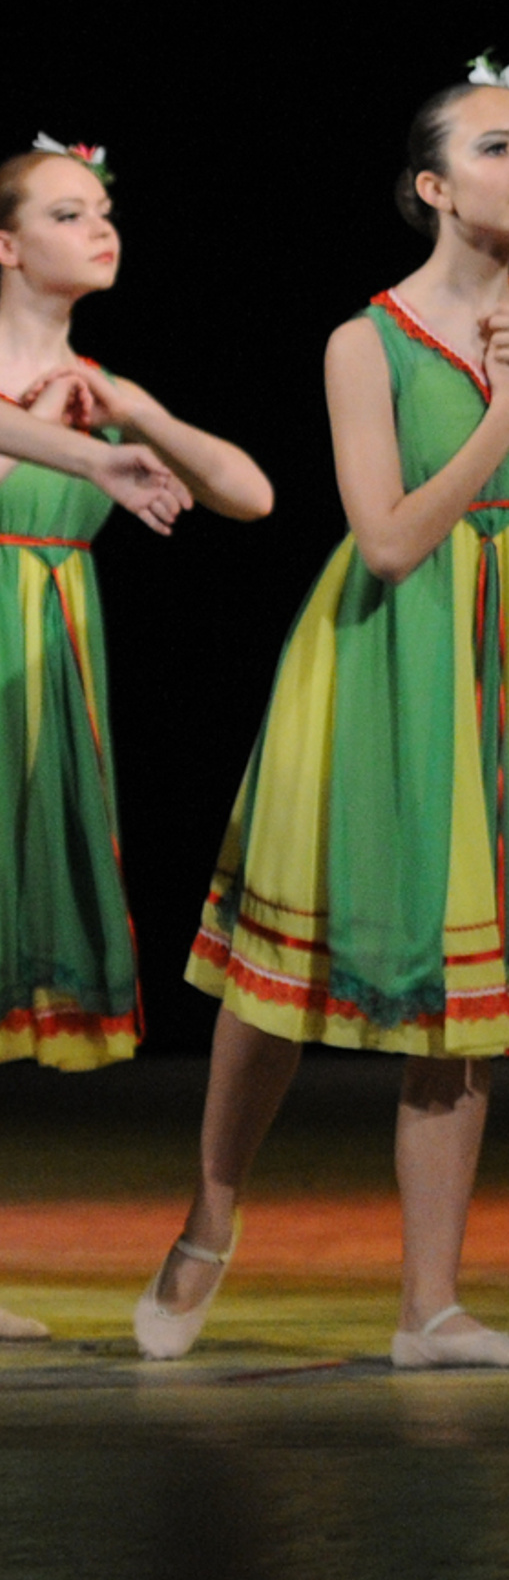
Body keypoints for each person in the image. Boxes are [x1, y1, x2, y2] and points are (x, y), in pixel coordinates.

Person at [142, 55, 509, 1370]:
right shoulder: (363, 342)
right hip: (377, 664)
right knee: (282, 979)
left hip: (504, 676)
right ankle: (209, 1216)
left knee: (465, 993)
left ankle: (429, 1306)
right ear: (433, 186)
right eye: (494, 146)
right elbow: (384, 540)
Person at [2, 139, 273, 1343]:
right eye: (68, 212)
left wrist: (143, 417)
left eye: (105, 209)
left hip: (49, 667)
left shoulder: (100, 387)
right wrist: (85, 452)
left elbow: (252, 494)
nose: (100, 227)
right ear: (7, 245)